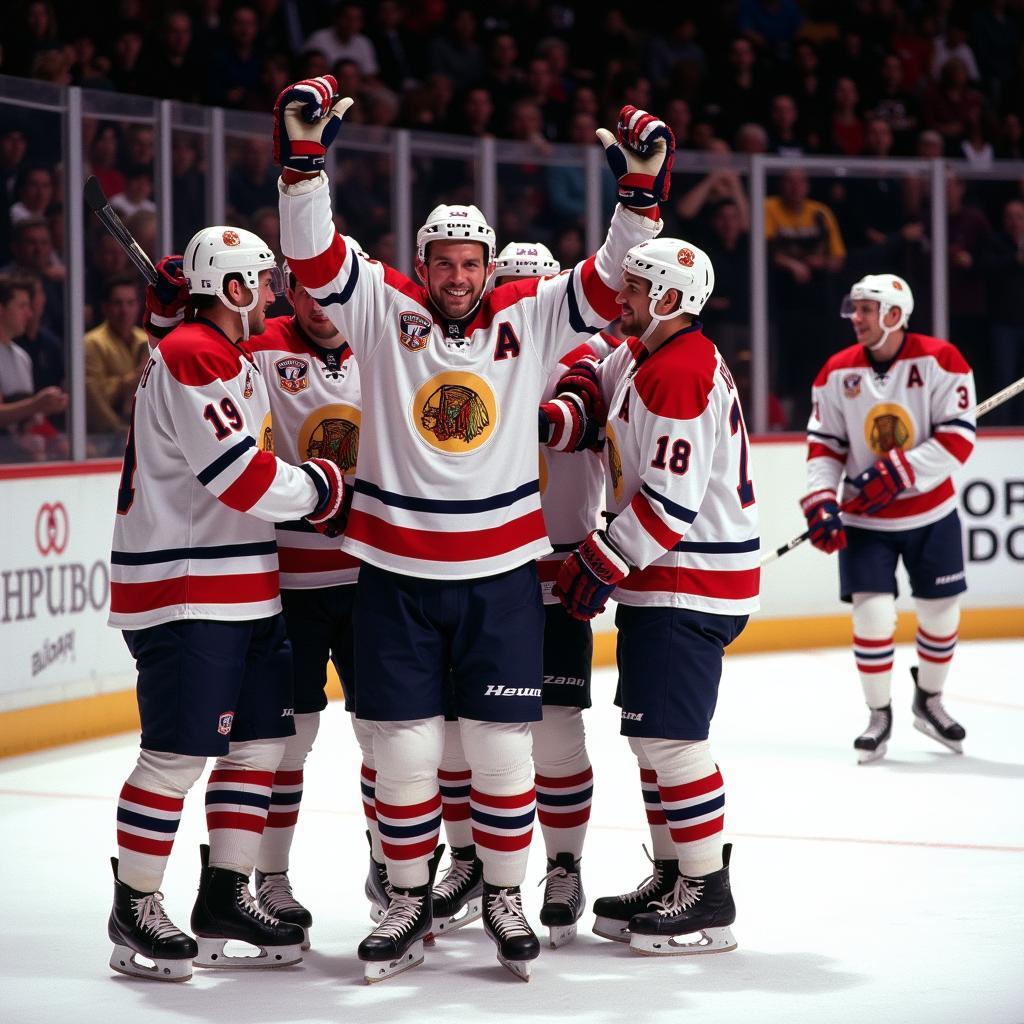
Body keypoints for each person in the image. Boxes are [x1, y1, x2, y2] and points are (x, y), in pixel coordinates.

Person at [274, 76, 670, 982]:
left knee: (499, 750)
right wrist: (303, 166)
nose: (456, 278)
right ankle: (408, 898)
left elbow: (609, 282)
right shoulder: (382, 312)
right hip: (398, 574)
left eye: (469, 263)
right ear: (423, 263)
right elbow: (313, 260)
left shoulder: (526, 320)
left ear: (491, 266)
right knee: (406, 752)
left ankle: (504, 891)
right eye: (442, 262)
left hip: (499, 577)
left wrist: (638, 198)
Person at [106, 226, 346, 982]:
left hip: (242, 584)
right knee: (175, 756)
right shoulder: (195, 354)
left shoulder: (212, 349)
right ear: (235, 291)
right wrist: (322, 488)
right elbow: (237, 477)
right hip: (187, 588)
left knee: (260, 747)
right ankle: (134, 903)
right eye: (264, 283)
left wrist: (172, 315)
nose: (275, 295)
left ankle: (224, 895)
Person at [552, 236, 758, 956]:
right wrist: (563, 408)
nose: (622, 298)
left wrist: (602, 559)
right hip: (665, 579)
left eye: (635, 288)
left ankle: (706, 894)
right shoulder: (645, 354)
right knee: (650, 738)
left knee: (672, 742)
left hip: (686, 580)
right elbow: (591, 376)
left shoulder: (680, 370)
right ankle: (675, 872)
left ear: (669, 298)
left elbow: (669, 504)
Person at [801, 274, 975, 763]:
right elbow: (826, 445)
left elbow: (958, 439)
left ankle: (930, 700)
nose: (855, 318)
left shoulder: (943, 360)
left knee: (943, 615)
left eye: (865, 310)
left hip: (932, 513)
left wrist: (901, 471)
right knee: (873, 616)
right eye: (853, 309)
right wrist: (820, 497)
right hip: (867, 522)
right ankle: (879, 714)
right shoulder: (835, 372)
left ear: (895, 315)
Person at [244, 250, 364, 949]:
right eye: (305, 291)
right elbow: (187, 375)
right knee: (290, 739)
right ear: (286, 289)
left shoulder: (382, 343)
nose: (321, 303)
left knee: (390, 733)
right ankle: (272, 877)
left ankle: (395, 868)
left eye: (331, 290)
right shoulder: (259, 348)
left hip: (370, 577)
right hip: (288, 584)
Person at [0, 273, 66, 461]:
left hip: (20, 457)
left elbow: (26, 420)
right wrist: (36, 404)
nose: (29, 314)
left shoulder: (22, 357)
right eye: (22, 306)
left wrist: (46, 407)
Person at [83, 275, 148, 451]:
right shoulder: (91, 343)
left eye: (130, 303)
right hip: (102, 438)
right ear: (105, 307)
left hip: (143, 433)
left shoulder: (147, 340)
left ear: (139, 306)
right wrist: (136, 377)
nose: (124, 310)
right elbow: (94, 396)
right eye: (117, 303)